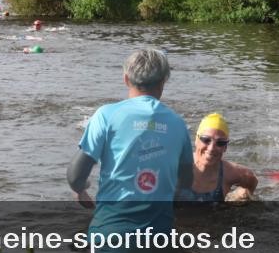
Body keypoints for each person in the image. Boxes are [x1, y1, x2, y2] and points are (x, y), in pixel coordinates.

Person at [67, 48, 194, 242]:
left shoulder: (106, 115)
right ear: (163, 83)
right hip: (160, 236)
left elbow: (75, 176)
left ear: (126, 79)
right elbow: (184, 184)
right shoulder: (178, 124)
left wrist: (81, 190)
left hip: (111, 233)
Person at [176, 114, 258, 202]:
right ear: (196, 140)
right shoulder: (176, 167)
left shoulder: (229, 174)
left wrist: (241, 196)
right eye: (206, 140)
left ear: (225, 147)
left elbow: (251, 179)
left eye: (220, 143)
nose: (211, 148)